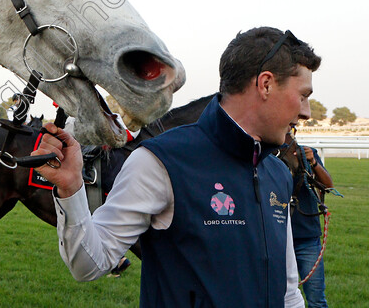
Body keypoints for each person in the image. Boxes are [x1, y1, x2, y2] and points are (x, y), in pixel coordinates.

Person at [32, 27, 320, 307]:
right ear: (266, 84)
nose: (306, 111)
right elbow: (87, 265)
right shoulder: (159, 161)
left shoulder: (278, 173)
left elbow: (288, 292)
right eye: (303, 95)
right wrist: (71, 188)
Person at [287, 131, 334, 307]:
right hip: (277, 239)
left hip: (307, 237)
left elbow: (328, 186)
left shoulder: (307, 153)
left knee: (316, 299)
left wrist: (313, 162)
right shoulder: (267, 155)